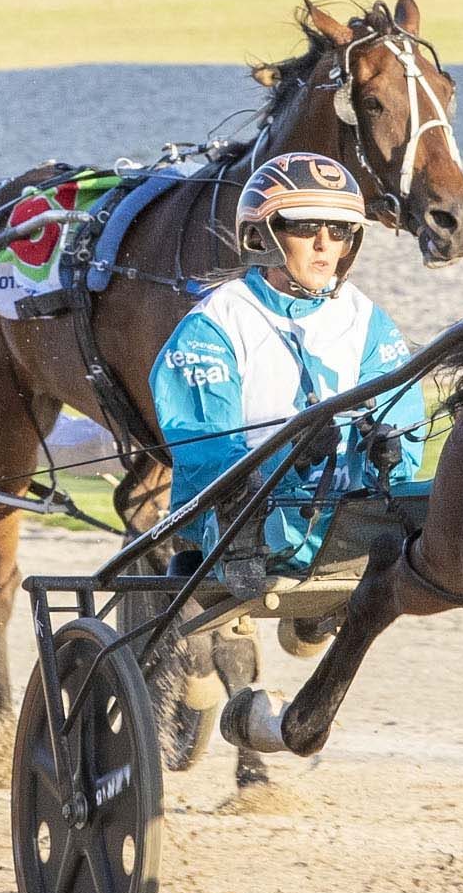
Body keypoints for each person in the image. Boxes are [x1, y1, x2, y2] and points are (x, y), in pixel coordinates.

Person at [149, 152, 423, 577]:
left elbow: (402, 416)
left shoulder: (368, 320)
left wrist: (386, 445)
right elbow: (207, 452)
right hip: (244, 525)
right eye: (305, 226)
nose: (324, 244)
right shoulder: (213, 325)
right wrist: (289, 461)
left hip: (346, 520)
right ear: (263, 236)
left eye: (339, 230)